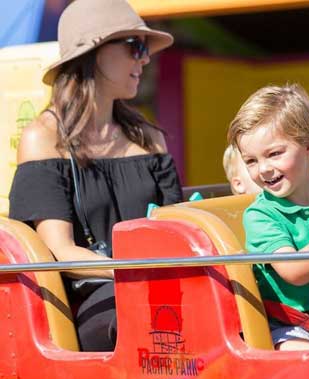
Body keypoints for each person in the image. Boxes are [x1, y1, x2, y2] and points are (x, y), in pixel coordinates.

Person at [8, 0, 182, 351]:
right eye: (135, 46)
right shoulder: (43, 138)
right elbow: (60, 251)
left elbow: (176, 229)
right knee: (152, 325)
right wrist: (138, 273)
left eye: (145, 49)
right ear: (95, 53)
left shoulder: (150, 138)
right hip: (93, 303)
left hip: (163, 287)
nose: (145, 59)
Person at [227, 84, 309, 350]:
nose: (263, 169)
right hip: (290, 325)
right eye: (251, 161)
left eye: (274, 154)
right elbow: (294, 271)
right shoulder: (261, 215)